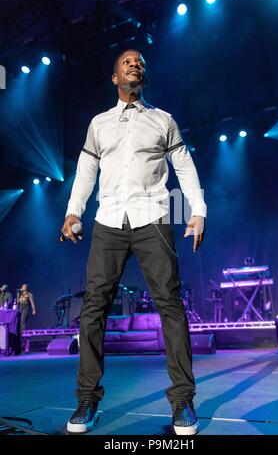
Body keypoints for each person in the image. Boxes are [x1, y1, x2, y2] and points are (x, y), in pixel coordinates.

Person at [61, 49, 207, 435]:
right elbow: (86, 169)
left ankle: (183, 402)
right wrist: (73, 211)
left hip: (154, 218)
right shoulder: (99, 124)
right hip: (108, 219)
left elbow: (184, 165)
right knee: (94, 308)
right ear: (115, 78)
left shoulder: (163, 120)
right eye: (126, 62)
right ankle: (87, 399)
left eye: (139, 62)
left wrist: (198, 209)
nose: (134, 64)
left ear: (144, 76)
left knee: (170, 306)